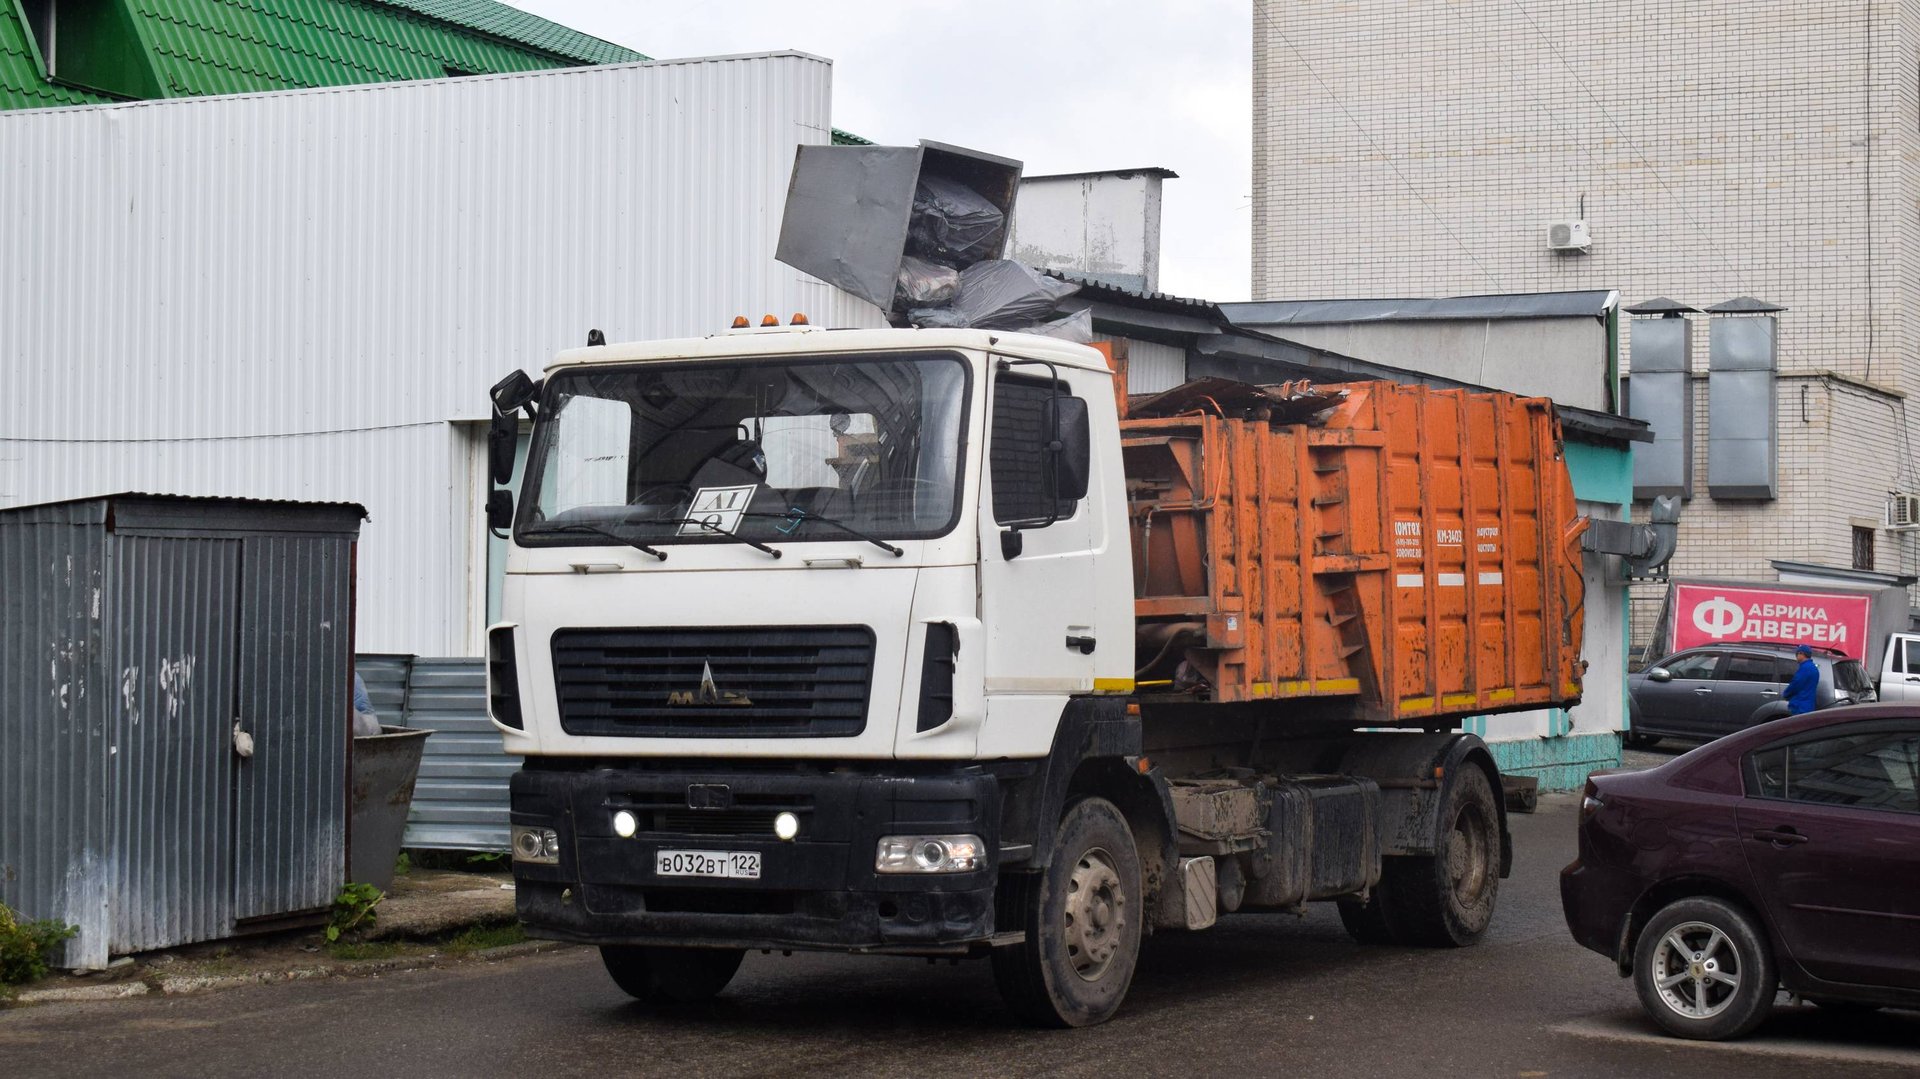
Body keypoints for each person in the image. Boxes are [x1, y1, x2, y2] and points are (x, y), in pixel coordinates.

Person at [1783, 644, 1821, 715]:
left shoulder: (1805, 668)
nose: (1796, 656)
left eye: (1797, 654)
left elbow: (1796, 684)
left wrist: (1786, 694)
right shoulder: (1813, 668)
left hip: (1800, 706)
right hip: (1808, 705)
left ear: (1802, 654)